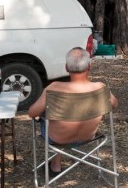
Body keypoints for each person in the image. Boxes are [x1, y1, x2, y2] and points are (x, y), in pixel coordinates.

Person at [28, 47, 118, 176]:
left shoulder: (53, 88)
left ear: (66, 67)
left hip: (57, 138)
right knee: (66, 118)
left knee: (52, 119)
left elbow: (32, 113)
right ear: (89, 66)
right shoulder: (100, 88)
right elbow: (114, 104)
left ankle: (55, 166)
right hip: (87, 136)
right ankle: (55, 164)